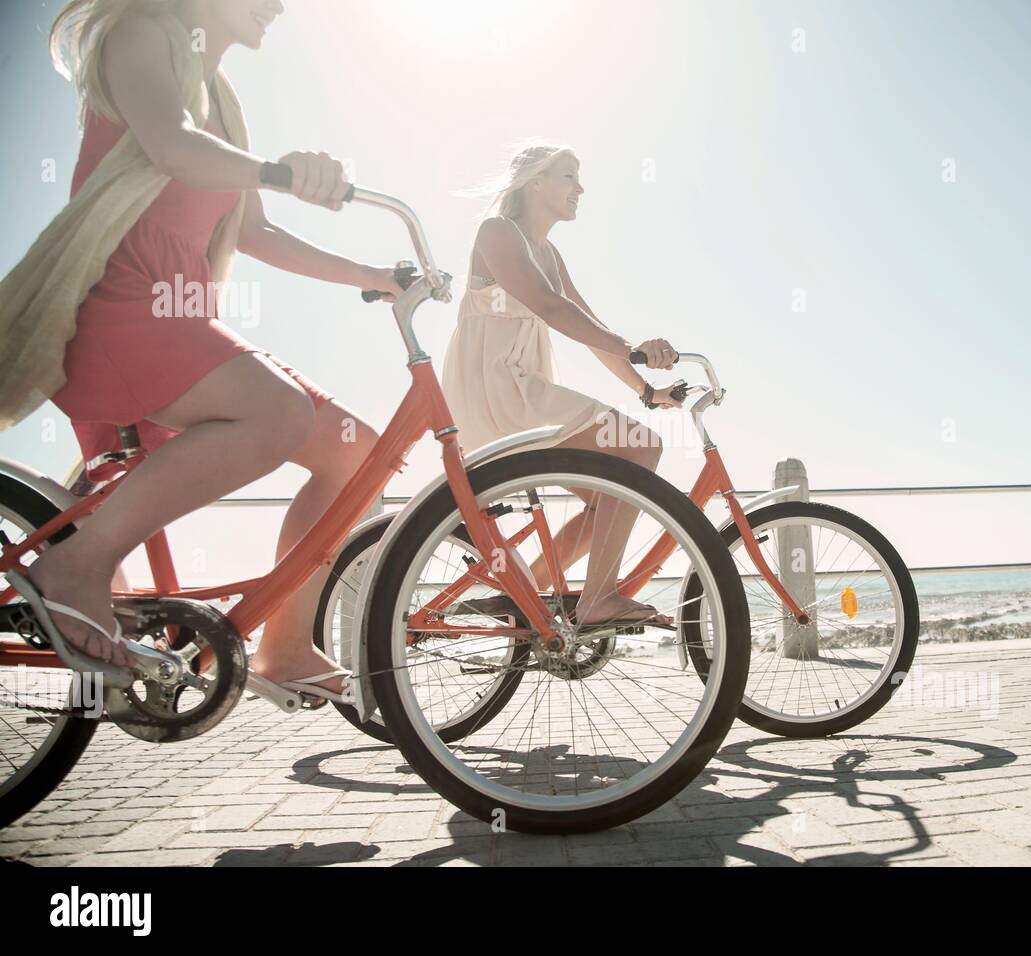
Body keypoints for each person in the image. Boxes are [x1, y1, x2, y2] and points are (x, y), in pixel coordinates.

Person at [9, 0, 406, 699]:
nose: (279, 5)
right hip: (121, 308)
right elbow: (172, 144)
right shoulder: (140, 36)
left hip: (183, 320)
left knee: (357, 455)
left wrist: (374, 278)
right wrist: (280, 170)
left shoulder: (224, 100)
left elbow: (256, 231)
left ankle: (285, 645)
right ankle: (79, 564)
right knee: (278, 414)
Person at [442, 144, 683, 627]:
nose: (581, 188)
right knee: (640, 449)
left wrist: (645, 391)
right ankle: (598, 599)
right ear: (534, 181)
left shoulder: (549, 253)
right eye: (569, 177)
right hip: (497, 389)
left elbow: (590, 331)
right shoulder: (498, 233)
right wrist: (634, 345)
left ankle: (522, 590)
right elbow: (553, 310)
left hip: (517, 390)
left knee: (609, 495)